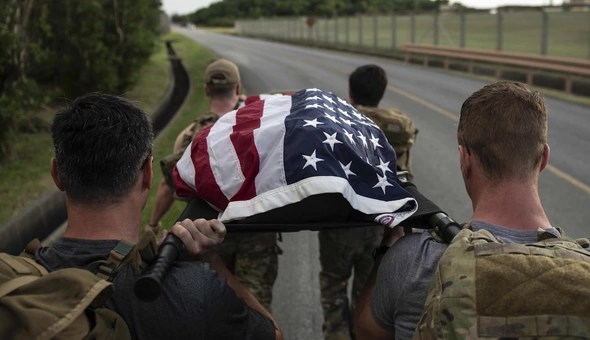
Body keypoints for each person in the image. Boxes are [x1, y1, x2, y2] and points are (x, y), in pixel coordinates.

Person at [353, 81, 590, 339]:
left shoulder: (413, 261)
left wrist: (387, 248)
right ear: (543, 159)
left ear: (465, 159)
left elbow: (366, 332)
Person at [34, 92, 283, 340]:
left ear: (57, 174)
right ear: (148, 174)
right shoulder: (198, 291)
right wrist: (212, 261)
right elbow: (274, 334)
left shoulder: (18, 283)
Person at [147, 58, 280, 310]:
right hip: (258, 235)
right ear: (238, 88)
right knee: (255, 307)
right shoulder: (263, 127)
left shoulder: (191, 135)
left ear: (206, 89)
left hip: (208, 238)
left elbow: (168, 186)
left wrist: (153, 224)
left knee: (214, 307)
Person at [317, 64, 417, 340]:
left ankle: (336, 334)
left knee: (334, 284)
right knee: (368, 289)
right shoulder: (396, 127)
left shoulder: (338, 121)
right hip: (379, 224)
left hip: (340, 224)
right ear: (382, 93)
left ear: (351, 93)